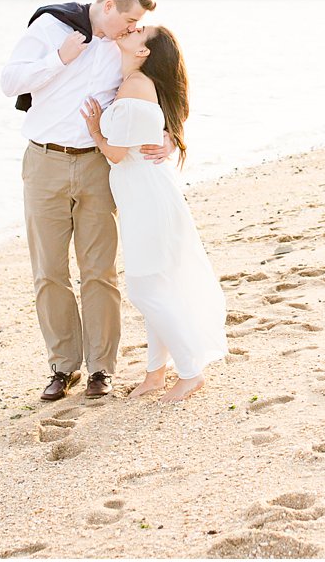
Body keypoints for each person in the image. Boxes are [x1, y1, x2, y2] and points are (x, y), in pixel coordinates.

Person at [0, 0, 171, 401]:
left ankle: (101, 370)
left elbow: (162, 80)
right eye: (129, 18)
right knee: (50, 270)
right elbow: (9, 82)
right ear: (108, 6)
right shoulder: (52, 27)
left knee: (100, 271)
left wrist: (170, 133)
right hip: (45, 161)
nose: (133, 28)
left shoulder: (126, 45)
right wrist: (59, 59)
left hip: (98, 165)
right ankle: (62, 366)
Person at [80, 24, 227, 403]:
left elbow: (115, 153)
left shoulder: (135, 86)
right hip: (142, 194)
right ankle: (154, 373)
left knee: (144, 289)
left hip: (145, 197)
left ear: (143, 51)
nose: (131, 29)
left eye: (139, 30)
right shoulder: (134, 82)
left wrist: (96, 130)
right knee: (154, 286)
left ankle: (190, 373)